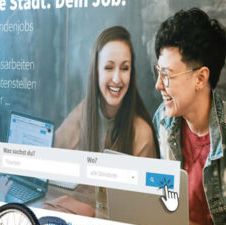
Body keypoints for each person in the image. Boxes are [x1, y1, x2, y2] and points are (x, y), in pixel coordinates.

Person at [152, 8, 226, 225]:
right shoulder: (163, 120)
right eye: (158, 72)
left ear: (200, 78)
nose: (158, 84)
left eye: (166, 74)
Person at [56, 25, 157, 158]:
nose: (117, 79)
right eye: (109, 67)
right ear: (96, 71)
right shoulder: (76, 120)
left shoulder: (142, 133)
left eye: (125, 68)